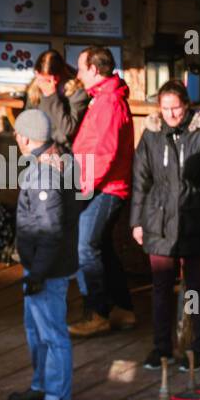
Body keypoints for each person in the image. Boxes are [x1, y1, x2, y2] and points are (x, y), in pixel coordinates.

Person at [131, 80, 200, 371]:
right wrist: (137, 221)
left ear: (187, 106)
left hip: (193, 219)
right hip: (159, 220)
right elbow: (140, 181)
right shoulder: (151, 136)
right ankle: (161, 348)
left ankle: (199, 346)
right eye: (165, 108)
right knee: (161, 287)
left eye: (176, 108)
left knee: (194, 288)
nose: (171, 114)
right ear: (158, 109)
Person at [9, 109, 79, 400]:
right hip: (41, 264)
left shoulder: (45, 173)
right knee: (35, 329)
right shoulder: (53, 161)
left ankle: (57, 398)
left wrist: (38, 272)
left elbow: (50, 229)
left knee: (52, 333)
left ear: (24, 137)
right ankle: (41, 385)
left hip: (47, 269)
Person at [69, 45, 136, 337]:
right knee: (101, 247)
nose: (78, 74)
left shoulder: (108, 102)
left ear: (94, 70)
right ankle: (123, 308)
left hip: (104, 187)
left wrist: (82, 188)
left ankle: (97, 312)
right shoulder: (103, 98)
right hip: (100, 184)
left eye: (81, 68)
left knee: (85, 247)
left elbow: (105, 152)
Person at [26, 50, 89, 152]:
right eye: (41, 79)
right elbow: (28, 118)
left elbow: (68, 129)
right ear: (37, 74)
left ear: (60, 76)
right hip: (38, 147)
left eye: (48, 80)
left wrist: (51, 96)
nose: (44, 84)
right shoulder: (36, 86)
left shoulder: (77, 91)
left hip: (64, 151)